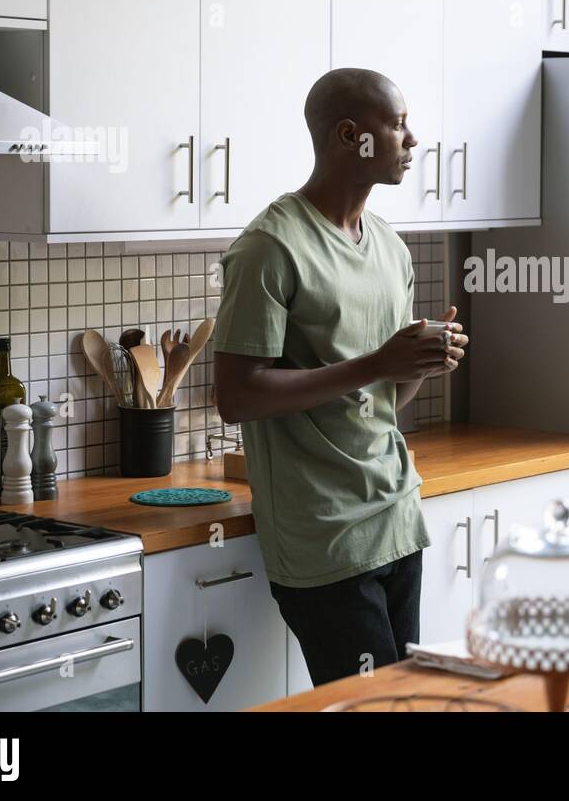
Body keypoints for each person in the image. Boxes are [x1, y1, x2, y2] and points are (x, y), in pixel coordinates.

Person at [211, 68, 466, 686]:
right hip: (323, 536)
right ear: (352, 136)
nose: (413, 140)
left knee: (401, 702)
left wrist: (423, 361)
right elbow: (236, 397)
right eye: (398, 124)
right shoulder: (270, 247)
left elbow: (385, 399)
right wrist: (378, 362)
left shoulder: (390, 246)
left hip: (398, 517)